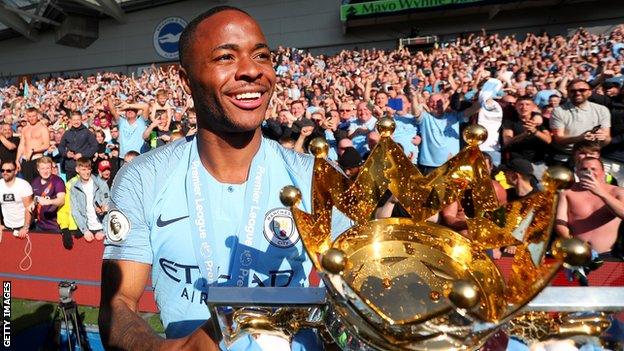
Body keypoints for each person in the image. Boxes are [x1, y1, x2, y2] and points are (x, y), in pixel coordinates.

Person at [99, 6, 348, 351]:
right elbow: (117, 305)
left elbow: (359, 299)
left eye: (262, 56)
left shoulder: (315, 176)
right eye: (226, 57)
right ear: (186, 81)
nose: (251, 71)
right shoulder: (143, 178)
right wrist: (173, 350)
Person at [555, 157, 624, 257]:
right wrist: (570, 243)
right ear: (577, 172)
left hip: (608, 255)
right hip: (576, 253)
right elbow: (560, 221)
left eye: (593, 169)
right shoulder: (567, 192)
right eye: (584, 169)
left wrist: (600, 192)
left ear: (603, 172)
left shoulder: (618, 192)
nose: (589, 172)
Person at [550, 80, 611, 164]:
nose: (577, 93)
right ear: (568, 93)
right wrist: (580, 138)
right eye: (573, 91)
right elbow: (559, 139)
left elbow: (607, 138)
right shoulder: (558, 111)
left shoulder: (602, 110)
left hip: (592, 156)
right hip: (565, 156)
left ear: (590, 92)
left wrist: (603, 138)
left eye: (582, 90)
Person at [70, 158, 109, 242]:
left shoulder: (101, 184)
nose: (86, 172)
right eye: (83, 169)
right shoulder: (74, 188)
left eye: (88, 169)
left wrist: (104, 231)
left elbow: (108, 205)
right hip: (87, 229)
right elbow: (75, 211)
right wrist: (85, 230)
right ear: (77, 170)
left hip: (102, 228)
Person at [58, 112, 98, 180]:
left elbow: (95, 146)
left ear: (81, 120)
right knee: (70, 188)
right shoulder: (67, 133)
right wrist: (66, 153)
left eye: (78, 120)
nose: (76, 122)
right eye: (74, 120)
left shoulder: (87, 132)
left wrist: (82, 154)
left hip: (84, 166)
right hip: (70, 167)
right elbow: (60, 147)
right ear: (71, 120)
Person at [15, 107, 50, 182]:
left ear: (37, 115)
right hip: (25, 160)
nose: (31, 118)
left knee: (39, 183)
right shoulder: (25, 129)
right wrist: (17, 160)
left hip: (37, 159)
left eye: (33, 116)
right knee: (27, 184)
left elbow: (46, 145)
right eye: (29, 116)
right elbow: (21, 145)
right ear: (27, 117)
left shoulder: (43, 128)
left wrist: (33, 150)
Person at [31, 157, 65, 232]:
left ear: (51, 169)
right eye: (42, 168)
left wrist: (50, 202)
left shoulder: (57, 181)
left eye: (48, 168)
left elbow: (62, 200)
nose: (45, 171)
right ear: (38, 169)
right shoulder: (34, 182)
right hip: (39, 225)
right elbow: (35, 198)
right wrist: (33, 203)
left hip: (55, 226)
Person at [0, 160, 33, 238]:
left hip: (23, 227)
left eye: (8, 170)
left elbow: (28, 208)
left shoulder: (24, 185)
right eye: (2, 170)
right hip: (7, 226)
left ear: (15, 171)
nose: (5, 172)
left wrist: (25, 227)